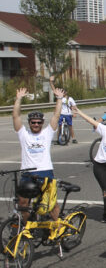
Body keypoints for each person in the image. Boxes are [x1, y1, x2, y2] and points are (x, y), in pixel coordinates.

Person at [13, 86, 65, 221]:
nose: (36, 124)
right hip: (27, 173)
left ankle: (57, 230)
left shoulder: (47, 133)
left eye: (39, 122)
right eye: (33, 122)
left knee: (52, 205)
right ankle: (30, 228)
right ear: (29, 123)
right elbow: (16, 116)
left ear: (42, 123)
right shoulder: (23, 134)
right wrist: (18, 99)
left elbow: (56, 115)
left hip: (45, 172)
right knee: (23, 204)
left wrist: (59, 98)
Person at [52, 77, 77, 144]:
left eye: (64, 91)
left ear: (66, 92)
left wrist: (74, 113)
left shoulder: (70, 99)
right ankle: (58, 139)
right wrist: (51, 82)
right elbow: (54, 90)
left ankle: (73, 138)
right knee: (59, 126)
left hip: (68, 114)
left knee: (70, 126)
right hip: (61, 114)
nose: (63, 92)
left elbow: (74, 107)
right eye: (62, 91)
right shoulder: (60, 98)